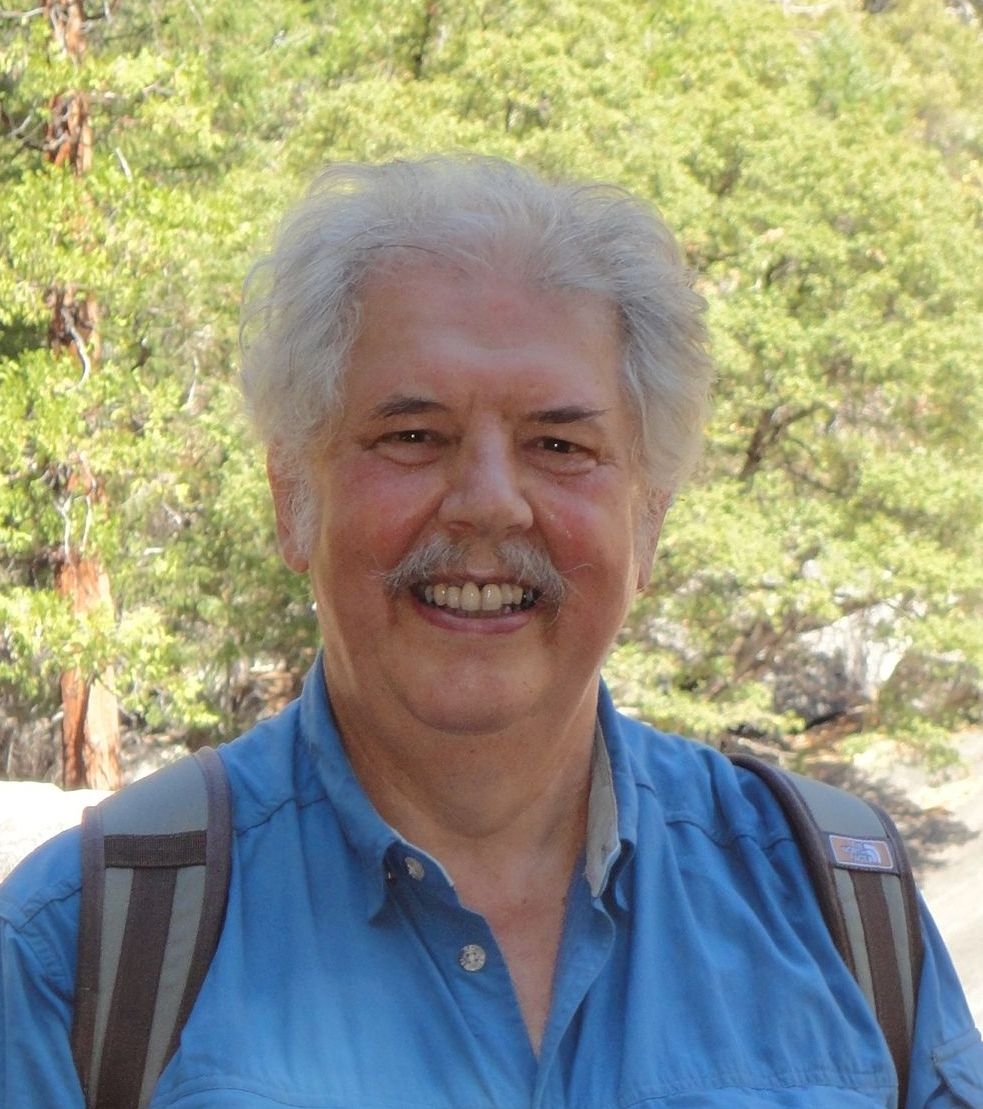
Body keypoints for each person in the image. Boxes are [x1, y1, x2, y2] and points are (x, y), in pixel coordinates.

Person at [1, 155, 980, 1108]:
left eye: (559, 443)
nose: (488, 502)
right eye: (412, 436)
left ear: (647, 520)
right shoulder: (80, 952)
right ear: (293, 497)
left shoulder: (841, 907)